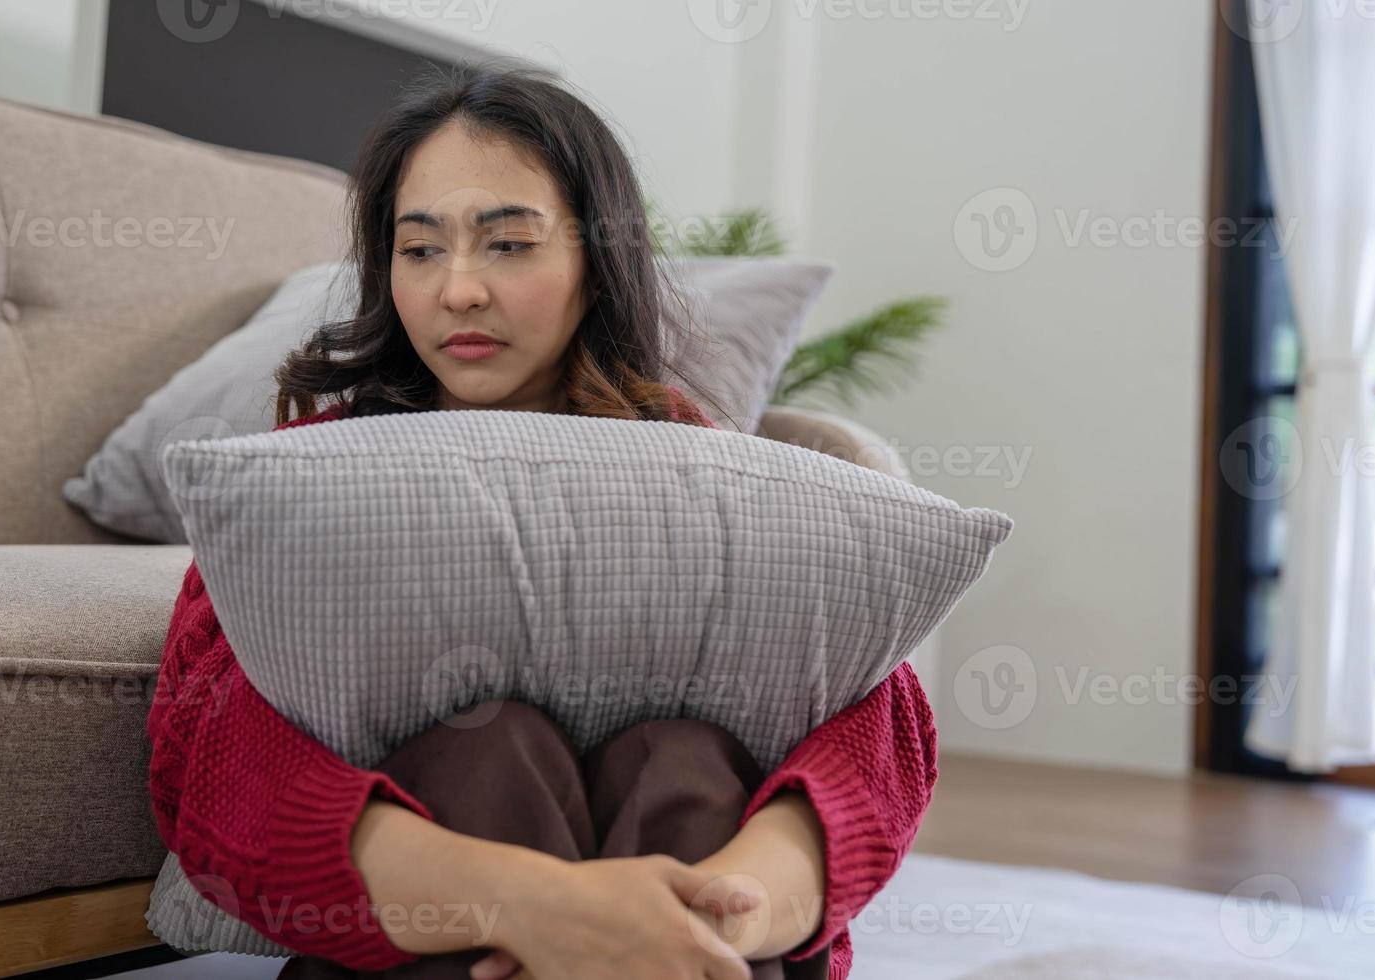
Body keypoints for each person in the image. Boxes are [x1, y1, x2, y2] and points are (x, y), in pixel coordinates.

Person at [148, 62, 937, 980]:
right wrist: (531, 905)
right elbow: (209, 739)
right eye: (421, 249)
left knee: (682, 765)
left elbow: (875, 716)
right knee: (492, 749)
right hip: (429, 910)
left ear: (596, 266)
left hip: (711, 906)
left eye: (508, 245)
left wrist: (726, 910)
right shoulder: (317, 469)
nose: (459, 292)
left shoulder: (701, 463)